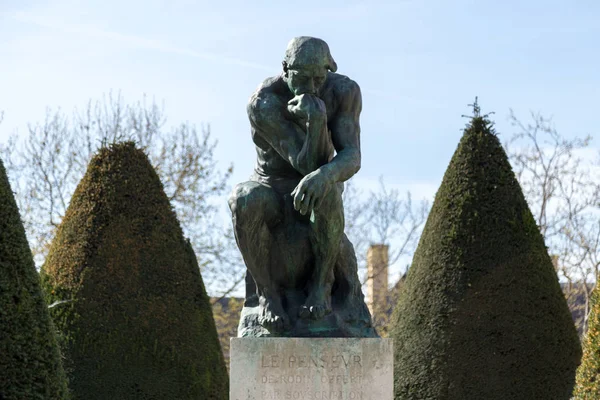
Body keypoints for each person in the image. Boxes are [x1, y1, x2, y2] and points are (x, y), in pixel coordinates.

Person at [229, 36, 362, 332]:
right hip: (273, 189)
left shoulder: (344, 91)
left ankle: (321, 285)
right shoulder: (263, 101)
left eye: (319, 78)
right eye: (303, 79)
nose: (312, 88)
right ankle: (268, 295)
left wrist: (327, 175)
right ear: (285, 70)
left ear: (330, 69)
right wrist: (316, 120)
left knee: (325, 189)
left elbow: (352, 156)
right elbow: (302, 164)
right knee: (243, 198)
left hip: (316, 187)